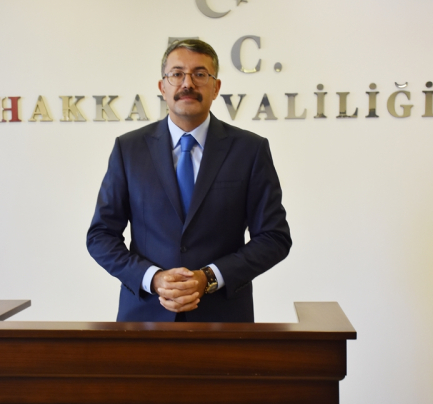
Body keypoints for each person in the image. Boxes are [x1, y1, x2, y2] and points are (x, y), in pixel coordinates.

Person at [86, 39, 291, 323]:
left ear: (216, 87)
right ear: (163, 87)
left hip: (224, 320)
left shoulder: (250, 150)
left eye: (200, 74)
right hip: (144, 318)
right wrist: (153, 278)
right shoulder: (129, 149)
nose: (187, 84)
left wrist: (209, 277)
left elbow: (274, 237)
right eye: (177, 74)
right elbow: (100, 235)